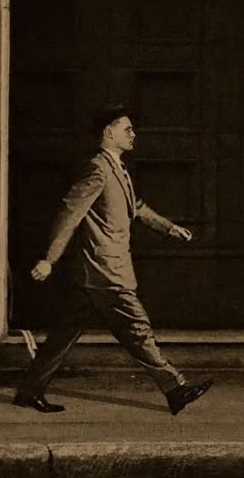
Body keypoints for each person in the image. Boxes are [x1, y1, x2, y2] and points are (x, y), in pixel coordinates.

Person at [14, 103, 213, 416]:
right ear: (109, 132)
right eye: (127, 129)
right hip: (105, 271)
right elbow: (69, 214)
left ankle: (29, 391)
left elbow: (137, 207)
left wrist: (169, 228)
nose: (134, 134)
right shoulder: (97, 169)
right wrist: (49, 259)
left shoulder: (118, 169)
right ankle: (176, 388)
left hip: (95, 274)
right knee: (138, 329)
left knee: (64, 336)